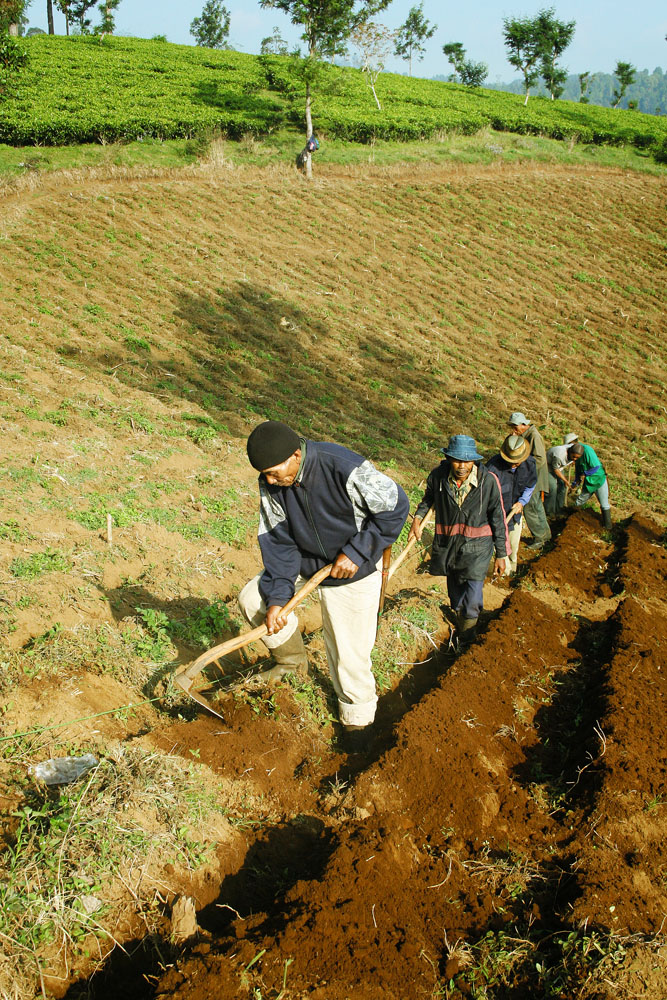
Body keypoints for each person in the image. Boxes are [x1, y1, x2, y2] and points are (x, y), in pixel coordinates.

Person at [239, 420, 409, 751]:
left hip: (352, 570)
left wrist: (358, 552)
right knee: (251, 599)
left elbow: (395, 506)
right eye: (265, 475)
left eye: (275, 473)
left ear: (296, 455)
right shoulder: (272, 482)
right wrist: (277, 599)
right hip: (306, 564)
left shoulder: (343, 466)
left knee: (349, 657)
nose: (271, 481)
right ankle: (290, 663)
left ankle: (358, 729)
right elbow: (279, 542)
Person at [408, 435, 508, 644]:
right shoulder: (438, 477)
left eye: (467, 461)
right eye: (457, 460)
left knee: (472, 596)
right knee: (455, 594)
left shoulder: (487, 481)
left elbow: (498, 517)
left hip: (478, 548)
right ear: (448, 458)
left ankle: (466, 639)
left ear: (474, 461)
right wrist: (417, 519)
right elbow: (428, 500)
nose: (462, 466)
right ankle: (460, 619)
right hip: (449, 546)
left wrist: (502, 553)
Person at [486, 434, 537, 576]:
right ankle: (500, 576)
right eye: (511, 461)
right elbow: (485, 495)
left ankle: (512, 575)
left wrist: (522, 502)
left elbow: (530, 486)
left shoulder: (530, 464)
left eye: (517, 461)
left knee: (513, 549)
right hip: (496, 517)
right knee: (501, 549)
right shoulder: (492, 468)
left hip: (514, 514)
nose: (514, 464)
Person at [508, 411, 551, 550]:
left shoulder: (534, 436)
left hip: (534, 480)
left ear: (523, 424)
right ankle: (545, 536)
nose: (514, 430)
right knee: (537, 508)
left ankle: (540, 538)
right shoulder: (526, 435)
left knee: (531, 510)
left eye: (516, 427)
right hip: (533, 478)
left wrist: (524, 470)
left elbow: (540, 459)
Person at [567, 441, 612, 529]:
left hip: (599, 479)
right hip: (589, 481)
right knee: (579, 501)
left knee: (604, 503)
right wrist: (574, 484)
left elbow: (596, 467)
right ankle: (571, 521)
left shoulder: (587, 450)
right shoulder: (576, 456)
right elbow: (578, 472)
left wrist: (584, 474)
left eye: (576, 457)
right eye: (574, 457)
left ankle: (608, 526)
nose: (575, 459)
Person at [545, 432, 578, 517]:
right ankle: (550, 512)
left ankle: (559, 509)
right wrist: (566, 480)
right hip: (548, 468)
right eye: (574, 457)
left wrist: (573, 460)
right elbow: (555, 469)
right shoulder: (559, 454)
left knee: (562, 486)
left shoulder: (575, 449)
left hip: (559, 467)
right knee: (553, 488)